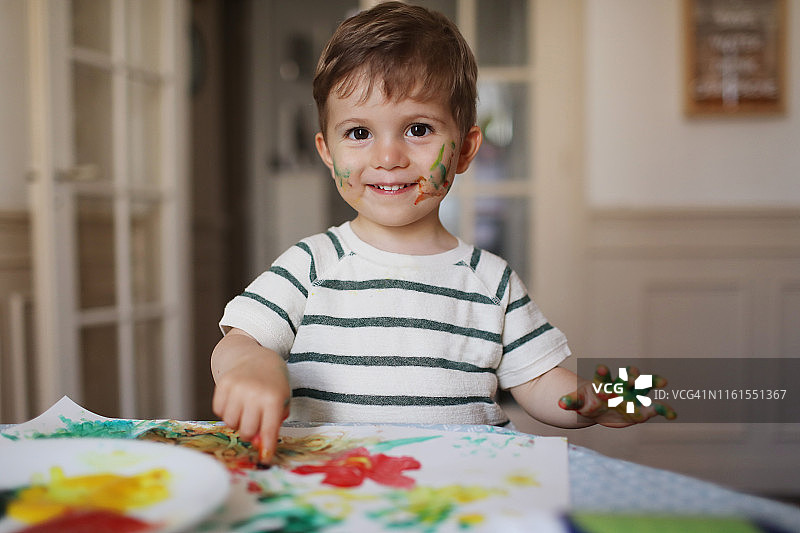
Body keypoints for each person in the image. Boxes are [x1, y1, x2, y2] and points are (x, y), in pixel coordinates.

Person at [211, 1, 673, 463]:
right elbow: (240, 339)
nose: (387, 156)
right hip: (336, 489)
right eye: (358, 133)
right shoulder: (311, 265)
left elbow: (537, 382)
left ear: (465, 150)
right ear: (328, 152)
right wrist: (251, 366)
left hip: (463, 491)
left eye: (417, 128)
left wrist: (592, 400)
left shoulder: (491, 282)